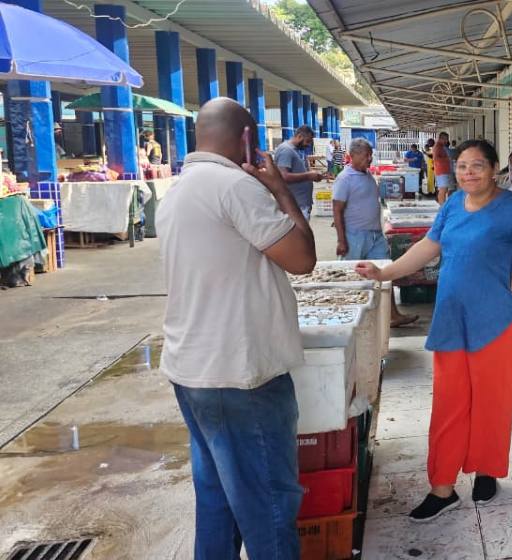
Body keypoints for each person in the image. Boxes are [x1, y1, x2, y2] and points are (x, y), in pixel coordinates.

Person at [354, 139, 512, 521]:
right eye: (463, 166)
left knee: (491, 402)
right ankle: (442, 487)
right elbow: (428, 247)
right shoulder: (453, 203)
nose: (468, 172)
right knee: (449, 405)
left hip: (496, 321)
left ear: (493, 169)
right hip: (452, 318)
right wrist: (385, 272)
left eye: (477, 165)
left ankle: (486, 470)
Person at [157, 97, 317, 558]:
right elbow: (302, 259)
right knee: (268, 504)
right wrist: (282, 192)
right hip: (240, 374)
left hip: (192, 369)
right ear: (246, 137)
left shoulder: (180, 189)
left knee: (218, 501)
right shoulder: (233, 187)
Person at [333, 139, 419, 327]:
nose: (369, 159)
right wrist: (341, 240)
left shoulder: (366, 175)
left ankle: (392, 315)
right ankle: (347, 316)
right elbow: (337, 210)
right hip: (354, 236)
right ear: (353, 155)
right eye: (366, 155)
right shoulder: (345, 179)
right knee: (351, 277)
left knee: (385, 273)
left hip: (375, 235)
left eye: (370, 155)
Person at [274, 125, 324, 220]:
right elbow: (283, 176)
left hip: (301, 204)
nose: (308, 145)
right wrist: (308, 176)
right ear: (300, 136)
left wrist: (313, 175)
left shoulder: (297, 150)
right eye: (308, 141)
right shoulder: (286, 150)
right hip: (294, 206)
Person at [433, 132, 453, 204]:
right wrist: (447, 159)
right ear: (441, 138)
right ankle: (442, 207)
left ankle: (443, 205)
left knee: (445, 189)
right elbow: (436, 158)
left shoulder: (441, 146)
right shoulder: (438, 146)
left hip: (444, 170)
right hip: (441, 171)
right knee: (443, 189)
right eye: (446, 139)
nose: (447, 141)